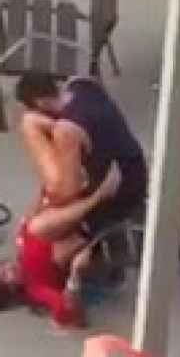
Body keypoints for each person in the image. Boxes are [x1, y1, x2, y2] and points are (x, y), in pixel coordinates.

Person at [0, 165, 121, 328]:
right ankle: (100, 195)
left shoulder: (22, 250)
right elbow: (69, 315)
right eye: (5, 275)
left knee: (42, 131)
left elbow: (35, 211)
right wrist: (75, 275)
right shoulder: (36, 288)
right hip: (78, 236)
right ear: (7, 291)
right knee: (38, 226)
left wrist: (43, 196)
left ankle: (76, 151)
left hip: (65, 215)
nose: (7, 267)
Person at [15, 73, 148, 236]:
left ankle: (95, 213)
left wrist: (47, 196)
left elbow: (67, 193)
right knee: (30, 122)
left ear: (39, 103)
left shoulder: (67, 131)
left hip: (117, 192)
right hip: (134, 167)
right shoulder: (83, 83)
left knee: (39, 227)